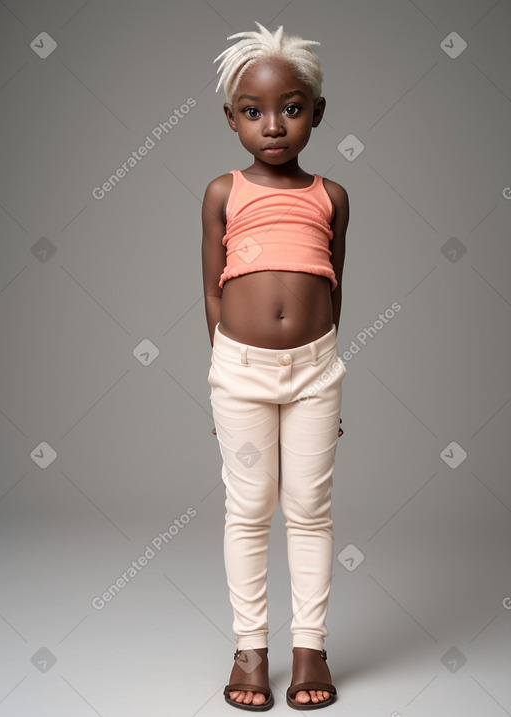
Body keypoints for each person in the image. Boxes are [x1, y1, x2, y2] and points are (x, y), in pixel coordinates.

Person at [201, 21, 349, 711]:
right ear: (232, 117)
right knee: (249, 506)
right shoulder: (222, 192)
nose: (273, 126)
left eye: (291, 108)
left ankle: (310, 645)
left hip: (317, 371)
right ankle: (250, 649)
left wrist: (327, 381)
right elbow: (213, 289)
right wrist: (219, 385)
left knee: (310, 508)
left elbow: (333, 286)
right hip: (240, 370)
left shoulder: (331, 196)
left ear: (315, 113)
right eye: (253, 111)